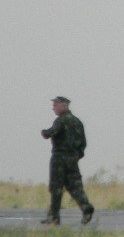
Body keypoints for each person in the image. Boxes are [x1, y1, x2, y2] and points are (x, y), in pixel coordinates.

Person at [40, 96, 94, 226]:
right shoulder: (77, 122)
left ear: (63, 106)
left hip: (59, 159)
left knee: (56, 188)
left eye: (55, 105)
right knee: (75, 186)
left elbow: (51, 133)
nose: (53, 108)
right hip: (72, 160)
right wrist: (76, 156)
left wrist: (44, 132)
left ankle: (54, 217)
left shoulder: (61, 121)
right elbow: (83, 143)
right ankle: (86, 208)